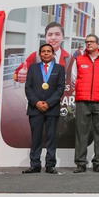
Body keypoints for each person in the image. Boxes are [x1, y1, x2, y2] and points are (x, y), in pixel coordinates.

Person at [71, 34, 99, 173]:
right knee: (81, 133)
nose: (89, 44)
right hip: (83, 101)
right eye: (87, 42)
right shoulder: (78, 60)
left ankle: (98, 163)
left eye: (91, 42)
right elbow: (73, 79)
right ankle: (81, 163)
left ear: (98, 44)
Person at [23, 43, 66, 174]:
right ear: (40, 54)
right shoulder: (33, 68)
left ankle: (50, 165)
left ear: (53, 54)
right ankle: (35, 164)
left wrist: (48, 103)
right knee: (36, 138)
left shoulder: (59, 68)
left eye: (48, 51)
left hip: (51, 108)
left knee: (51, 138)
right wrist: (36, 103)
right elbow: (28, 88)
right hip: (35, 109)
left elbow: (60, 88)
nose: (46, 53)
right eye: (43, 51)